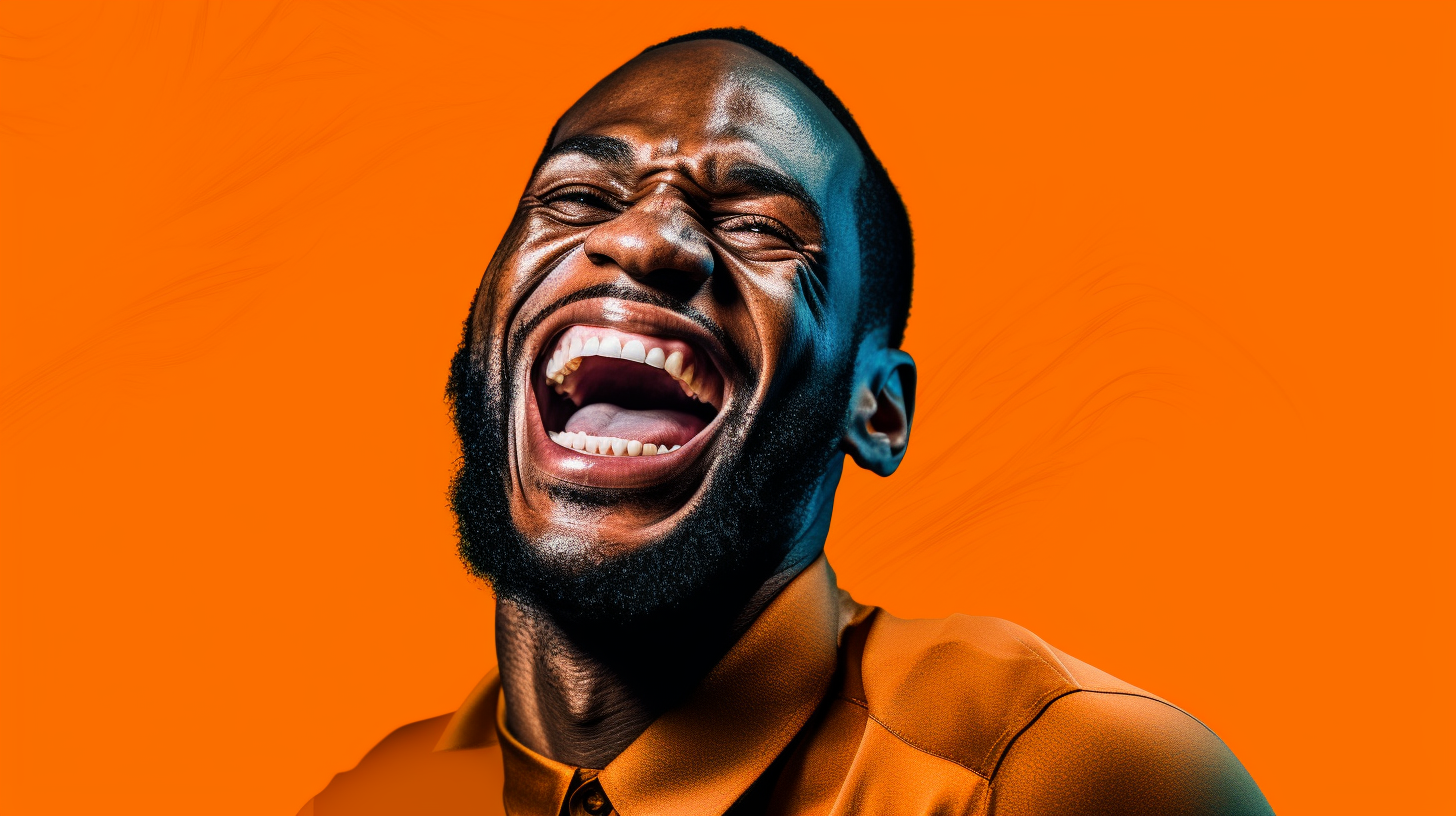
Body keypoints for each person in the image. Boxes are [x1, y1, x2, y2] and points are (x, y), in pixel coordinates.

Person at [300, 28, 1272, 816]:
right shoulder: (374, 798)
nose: (640, 236)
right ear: (479, 339)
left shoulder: (1060, 780)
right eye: (576, 197)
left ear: (877, 408)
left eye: (758, 224)